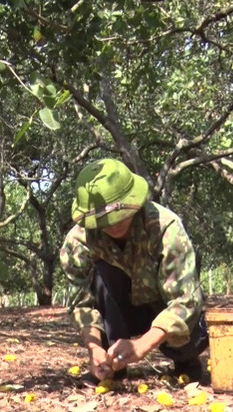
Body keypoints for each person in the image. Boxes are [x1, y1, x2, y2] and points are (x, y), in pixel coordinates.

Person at [60, 159, 208, 383]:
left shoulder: (165, 228)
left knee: (190, 338)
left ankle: (186, 360)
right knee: (103, 273)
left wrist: (142, 345)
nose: (113, 224)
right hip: (119, 312)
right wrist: (94, 347)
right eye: (103, 220)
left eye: (120, 215)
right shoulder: (78, 242)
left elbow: (185, 301)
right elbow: (81, 304)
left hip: (162, 307)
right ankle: (113, 362)